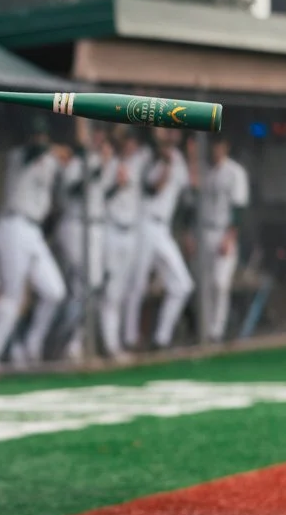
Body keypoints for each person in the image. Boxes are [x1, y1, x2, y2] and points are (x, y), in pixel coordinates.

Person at [0, 122, 71, 367]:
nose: (40, 139)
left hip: (33, 231)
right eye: (36, 136)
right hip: (13, 226)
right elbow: (36, 151)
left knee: (55, 292)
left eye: (43, 135)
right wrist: (52, 149)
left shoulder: (51, 161)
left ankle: (31, 344)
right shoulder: (19, 156)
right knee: (13, 295)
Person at [123, 128, 194, 351]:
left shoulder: (180, 159)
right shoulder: (149, 157)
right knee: (138, 284)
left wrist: (188, 158)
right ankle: (130, 338)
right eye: (167, 133)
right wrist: (164, 162)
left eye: (175, 133)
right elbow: (152, 187)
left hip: (163, 229)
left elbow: (188, 194)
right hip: (145, 225)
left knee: (183, 285)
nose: (172, 136)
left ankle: (161, 339)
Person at [55, 120, 111, 360]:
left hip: (96, 227)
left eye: (100, 135)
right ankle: (66, 337)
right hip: (75, 225)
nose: (98, 139)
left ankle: (72, 342)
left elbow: (102, 196)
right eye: (95, 134)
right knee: (90, 281)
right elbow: (74, 190)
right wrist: (99, 169)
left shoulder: (102, 162)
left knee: (86, 287)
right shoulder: (78, 162)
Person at [99, 127, 148, 360]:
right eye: (127, 141)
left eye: (133, 141)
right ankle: (110, 345)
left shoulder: (139, 163)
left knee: (124, 289)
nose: (131, 145)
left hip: (131, 233)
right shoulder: (109, 164)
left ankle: (117, 342)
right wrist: (116, 185)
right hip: (111, 231)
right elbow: (98, 198)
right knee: (110, 290)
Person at [198, 134, 250, 343]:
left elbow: (239, 209)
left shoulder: (235, 172)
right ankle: (206, 330)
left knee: (220, 283)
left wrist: (230, 237)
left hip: (223, 232)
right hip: (204, 231)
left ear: (226, 146)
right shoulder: (207, 172)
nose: (216, 149)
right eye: (214, 145)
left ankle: (216, 331)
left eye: (219, 145)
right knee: (206, 284)